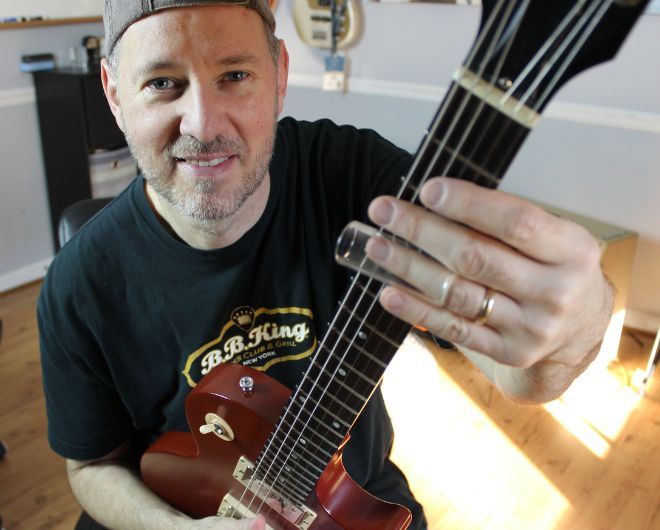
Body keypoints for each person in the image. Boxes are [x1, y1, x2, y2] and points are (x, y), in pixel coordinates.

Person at [37, 1, 613, 529]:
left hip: (354, 500)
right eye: (162, 83)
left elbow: (521, 378)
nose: (203, 126)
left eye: (234, 75)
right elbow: (90, 466)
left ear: (280, 76)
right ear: (114, 93)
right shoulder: (80, 284)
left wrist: (576, 324)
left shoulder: (360, 182)